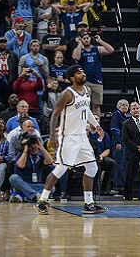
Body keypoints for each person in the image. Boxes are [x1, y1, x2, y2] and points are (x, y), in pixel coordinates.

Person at [34, 65, 107, 215]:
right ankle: (42, 200)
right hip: (68, 137)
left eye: (83, 71)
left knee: (92, 168)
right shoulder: (67, 93)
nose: (83, 74)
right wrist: (53, 135)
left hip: (82, 137)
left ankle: (88, 204)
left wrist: (96, 126)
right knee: (60, 168)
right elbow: (55, 114)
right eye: (80, 72)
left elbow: (86, 111)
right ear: (72, 78)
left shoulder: (87, 90)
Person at [72, 33, 114, 117]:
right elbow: (76, 57)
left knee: (96, 105)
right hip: (84, 81)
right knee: (83, 105)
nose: (86, 40)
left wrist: (100, 41)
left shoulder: (96, 49)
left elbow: (111, 50)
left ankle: (96, 125)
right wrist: (79, 44)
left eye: (87, 38)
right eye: (84, 38)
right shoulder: (80, 50)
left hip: (97, 80)